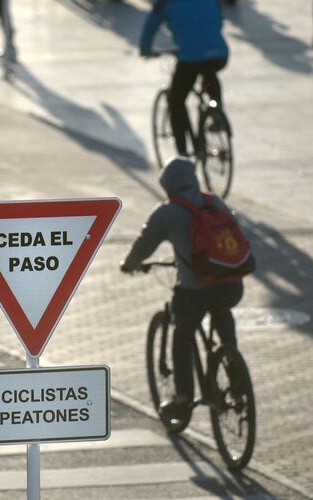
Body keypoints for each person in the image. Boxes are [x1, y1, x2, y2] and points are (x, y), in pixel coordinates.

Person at [120, 157, 245, 424]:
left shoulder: (167, 212)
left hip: (195, 292)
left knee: (182, 334)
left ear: (169, 186)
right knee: (222, 311)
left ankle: (183, 397)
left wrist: (129, 265)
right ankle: (235, 371)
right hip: (232, 284)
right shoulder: (214, 202)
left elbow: (144, 245)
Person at [140, 0, 229, 156]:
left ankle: (182, 154)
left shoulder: (165, 3)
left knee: (176, 101)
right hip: (219, 53)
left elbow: (150, 26)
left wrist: (145, 49)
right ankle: (216, 111)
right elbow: (219, 20)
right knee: (209, 73)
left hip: (190, 57)